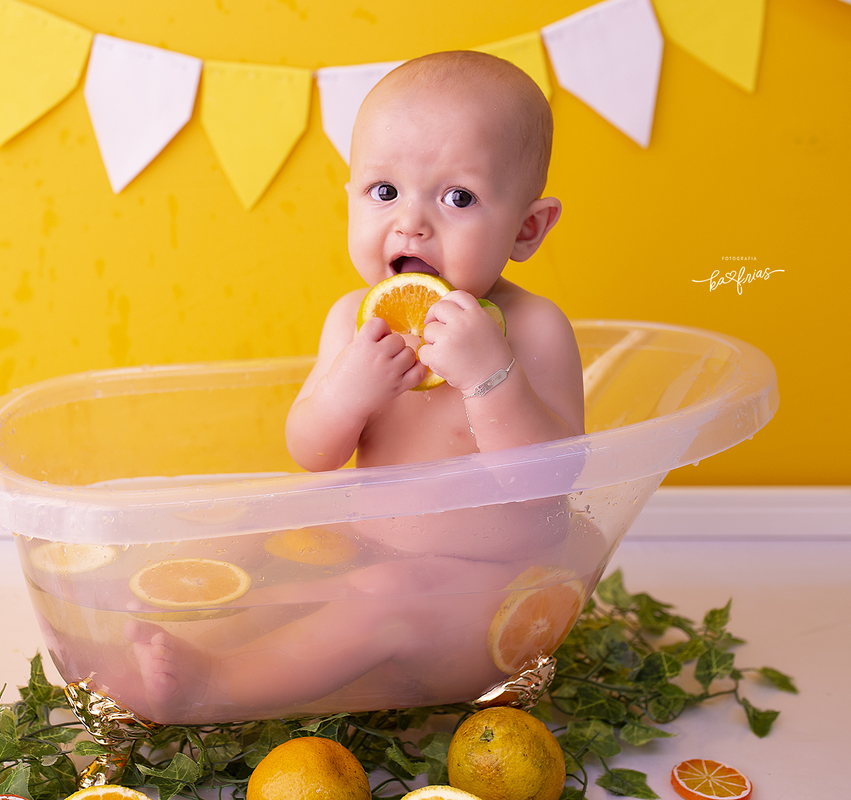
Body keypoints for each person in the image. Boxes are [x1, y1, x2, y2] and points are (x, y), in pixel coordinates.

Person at [126, 50, 587, 723]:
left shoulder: (535, 330)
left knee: (391, 592)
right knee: (271, 563)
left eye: (458, 197)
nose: (412, 223)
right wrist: (349, 392)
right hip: (364, 558)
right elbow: (311, 452)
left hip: (489, 603)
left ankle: (215, 683)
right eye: (384, 191)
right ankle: (197, 641)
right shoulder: (354, 321)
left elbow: (551, 482)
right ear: (350, 198)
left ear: (527, 228)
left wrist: (491, 378)